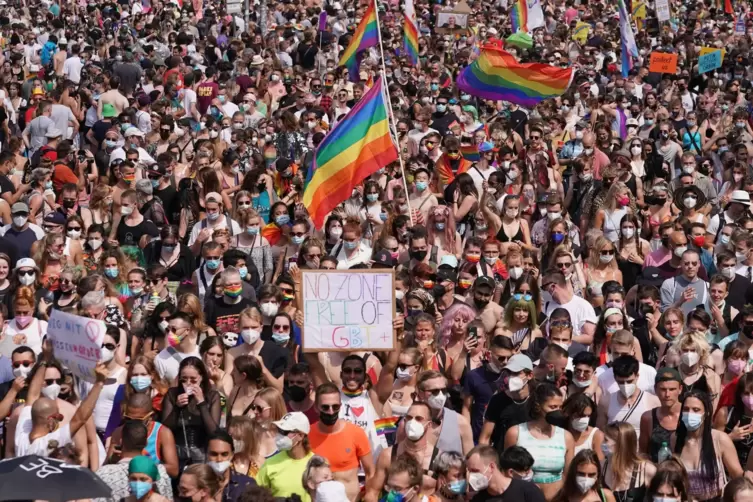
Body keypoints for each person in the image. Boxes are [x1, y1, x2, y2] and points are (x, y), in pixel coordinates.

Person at [503, 382, 574, 500]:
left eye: (560, 407)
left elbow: (568, 476)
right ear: (538, 406)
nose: (557, 411)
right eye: (552, 407)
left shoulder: (566, 437)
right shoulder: (515, 433)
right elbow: (507, 471)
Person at [671, 390, 743, 501]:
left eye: (696, 410)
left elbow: (738, 478)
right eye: (686, 409)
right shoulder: (675, 439)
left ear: (707, 413)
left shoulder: (720, 439)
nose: (690, 414)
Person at [308, 382, 374, 501]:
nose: (331, 411)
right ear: (316, 407)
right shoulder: (307, 435)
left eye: (335, 406)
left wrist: (371, 495)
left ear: (340, 406)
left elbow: (370, 472)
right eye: (325, 407)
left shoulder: (356, 433)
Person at [465, 445, 546, 501]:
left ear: (491, 467)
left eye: (475, 471)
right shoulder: (477, 498)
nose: (470, 476)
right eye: (469, 471)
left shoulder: (528, 491)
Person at [601, 422, 655, 501]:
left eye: (605, 440)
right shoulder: (600, 467)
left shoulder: (646, 470)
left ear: (621, 444)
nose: (602, 443)